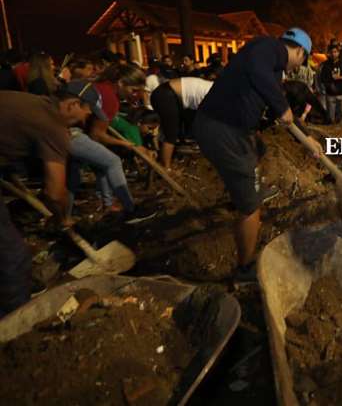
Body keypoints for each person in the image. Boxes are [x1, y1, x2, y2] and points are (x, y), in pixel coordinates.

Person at [194, 28, 322, 281]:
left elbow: (280, 110)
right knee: (252, 208)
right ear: (298, 51)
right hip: (224, 130)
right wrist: (281, 106)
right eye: (303, 59)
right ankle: (244, 268)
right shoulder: (267, 48)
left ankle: (241, 193)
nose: (300, 65)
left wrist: (306, 137)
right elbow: (259, 74)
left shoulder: (272, 70)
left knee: (258, 149)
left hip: (226, 128)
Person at [0, 86, 96, 316]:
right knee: (13, 255)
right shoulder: (54, 127)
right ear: (72, 104)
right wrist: (62, 217)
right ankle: (17, 325)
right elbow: (54, 192)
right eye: (86, 113)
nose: (85, 121)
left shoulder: (29, 102)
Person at [66, 71, 156, 224]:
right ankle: (130, 210)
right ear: (121, 83)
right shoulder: (109, 98)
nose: (134, 96)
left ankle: (65, 218)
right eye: (133, 90)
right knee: (113, 161)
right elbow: (97, 135)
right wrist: (124, 144)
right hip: (69, 133)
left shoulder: (99, 87)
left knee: (75, 177)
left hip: (61, 129)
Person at [150, 77, 213, 169]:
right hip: (166, 95)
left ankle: (174, 155)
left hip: (171, 94)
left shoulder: (218, 89)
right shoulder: (219, 96)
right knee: (171, 135)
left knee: (181, 131)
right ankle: (166, 168)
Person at [319, 42, 342, 124]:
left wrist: (340, 77)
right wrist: (329, 84)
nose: (333, 54)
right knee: (331, 118)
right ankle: (332, 134)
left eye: (335, 52)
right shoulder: (326, 64)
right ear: (329, 53)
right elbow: (322, 79)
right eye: (331, 52)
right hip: (331, 94)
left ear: (338, 53)